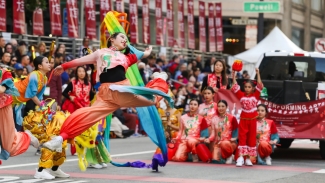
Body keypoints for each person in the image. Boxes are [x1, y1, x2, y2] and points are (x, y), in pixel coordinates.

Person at [42, 32, 173, 152]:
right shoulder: (100, 53)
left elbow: (142, 55)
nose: (125, 40)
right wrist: (64, 66)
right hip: (105, 95)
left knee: (154, 100)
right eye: (122, 37)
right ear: (111, 39)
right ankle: (60, 139)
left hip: (122, 91)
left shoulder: (127, 57)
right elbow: (80, 61)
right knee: (86, 115)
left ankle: (160, 78)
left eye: (126, 39)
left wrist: (147, 52)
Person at [0, 65, 39, 161]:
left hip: (3, 108)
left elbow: (1, 90)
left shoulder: (4, 73)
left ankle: (26, 137)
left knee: (8, 146)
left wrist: (41, 104)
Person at [231, 68, 263, 167]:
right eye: (245, 87)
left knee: (251, 138)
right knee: (242, 138)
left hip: (253, 119)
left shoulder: (256, 95)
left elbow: (260, 85)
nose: (247, 88)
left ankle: (248, 158)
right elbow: (235, 86)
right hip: (244, 119)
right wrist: (233, 75)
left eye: (249, 87)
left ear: (253, 88)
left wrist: (258, 73)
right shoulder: (241, 95)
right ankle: (240, 157)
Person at [12, 56, 51, 131]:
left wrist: (45, 107)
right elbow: (32, 95)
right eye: (47, 62)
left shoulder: (45, 78)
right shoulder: (34, 75)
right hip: (11, 95)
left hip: (18, 100)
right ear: (40, 66)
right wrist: (43, 107)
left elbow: (39, 97)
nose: (49, 64)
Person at [205, 100, 238, 164]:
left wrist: (234, 138)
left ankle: (229, 156)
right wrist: (208, 139)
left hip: (229, 143)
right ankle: (226, 156)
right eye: (219, 106)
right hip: (218, 144)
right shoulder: (214, 119)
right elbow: (213, 133)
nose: (221, 108)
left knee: (224, 143)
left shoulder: (232, 118)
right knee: (215, 161)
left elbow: (236, 130)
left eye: (223, 106)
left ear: (227, 107)